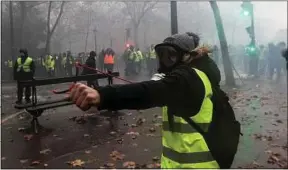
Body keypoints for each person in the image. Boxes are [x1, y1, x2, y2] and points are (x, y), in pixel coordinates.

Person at [69, 32, 235, 168]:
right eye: (162, 56)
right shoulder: (196, 75)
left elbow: (149, 92)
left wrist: (102, 95)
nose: (165, 61)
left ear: (186, 57)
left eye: (171, 56)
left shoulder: (188, 79)